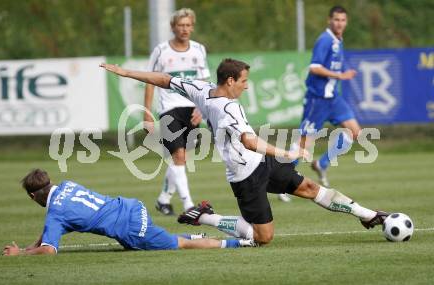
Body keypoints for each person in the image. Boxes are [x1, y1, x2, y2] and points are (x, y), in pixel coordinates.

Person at [99, 58, 388, 245]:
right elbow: (249, 141)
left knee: (311, 187)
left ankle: (368, 215)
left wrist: (126, 72)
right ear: (230, 82)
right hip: (245, 175)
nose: (246, 87)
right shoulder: (228, 108)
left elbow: (164, 79)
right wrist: (284, 152)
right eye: (244, 82)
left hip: (262, 161)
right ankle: (205, 217)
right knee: (263, 238)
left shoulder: (202, 89)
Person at [2, 169, 255, 256]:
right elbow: (50, 231)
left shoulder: (56, 213)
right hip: (130, 207)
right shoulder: (67, 186)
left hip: (131, 227)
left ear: (33, 196)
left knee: (177, 245)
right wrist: (27, 248)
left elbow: (48, 249)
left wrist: (19, 255)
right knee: (151, 242)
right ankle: (200, 233)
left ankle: (240, 243)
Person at [143, 8, 210, 216]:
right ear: (173, 27)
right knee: (178, 155)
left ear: (193, 27)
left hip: (192, 110)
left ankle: (163, 199)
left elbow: (204, 82)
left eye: (188, 25)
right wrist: (147, 113)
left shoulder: (199, 50)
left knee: (180, 159)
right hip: (169, 109)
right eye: (181, 25)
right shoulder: (161, 51)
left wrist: (201, 107)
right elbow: (149, 81)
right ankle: (189, 205)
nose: (185, 29)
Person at [297, 5, 360, 187]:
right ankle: (283, 182)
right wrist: (340, 75)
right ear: (329, 20)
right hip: (317, 100)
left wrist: (340, 73)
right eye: (336, 20)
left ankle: (321, 164)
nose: (339, 23)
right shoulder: (325, 40)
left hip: (333, 99)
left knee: (355, 132)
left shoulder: (338, 40)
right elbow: (314, 67)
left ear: (346, 22)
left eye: (343, 20)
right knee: (304, 144)